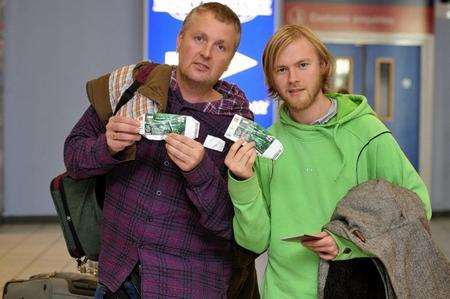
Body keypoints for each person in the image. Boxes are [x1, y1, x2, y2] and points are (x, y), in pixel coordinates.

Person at [64, 3, 258, 298]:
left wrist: (200, 171)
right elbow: (73, 158)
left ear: (230, 59)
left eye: (221, 47)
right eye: (199, 39)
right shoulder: (131, 90)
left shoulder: (238, 127)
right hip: (118, 275)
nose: (206, 53)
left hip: (189, 284)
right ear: (180, 39)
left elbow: (235, 228)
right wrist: (107, 146)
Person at [225, 24, 431, 298]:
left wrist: (348, 243)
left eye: (303, 65)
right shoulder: (265, 145)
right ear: (271, 79)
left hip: (356, 287)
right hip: (284, 291)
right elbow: (254, 240)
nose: (293, 78)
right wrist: (243, 181)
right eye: (281, 69)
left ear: (323, 65)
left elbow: (417, 207)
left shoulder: (367, 133)